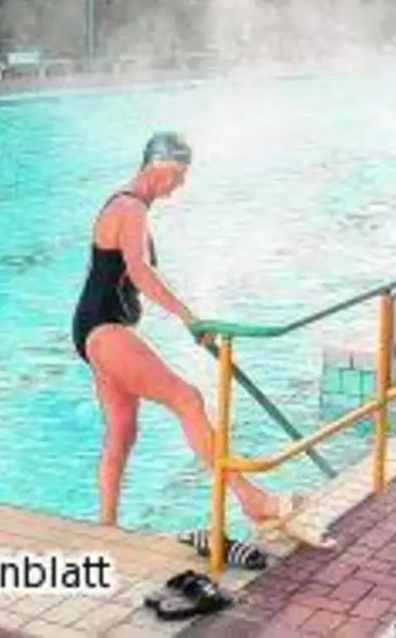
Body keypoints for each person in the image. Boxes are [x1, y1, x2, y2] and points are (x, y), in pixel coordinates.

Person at [72, 131, 303, 533]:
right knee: (188, 399)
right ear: (162, 167)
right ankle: (252, 500)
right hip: (104, 330)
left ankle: (106, 526)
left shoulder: (123, 203)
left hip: (93, 328)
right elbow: (140, 272)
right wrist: (188, 317)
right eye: (179, 176)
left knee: (123, 432)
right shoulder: (131, 208)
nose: (179, 187)